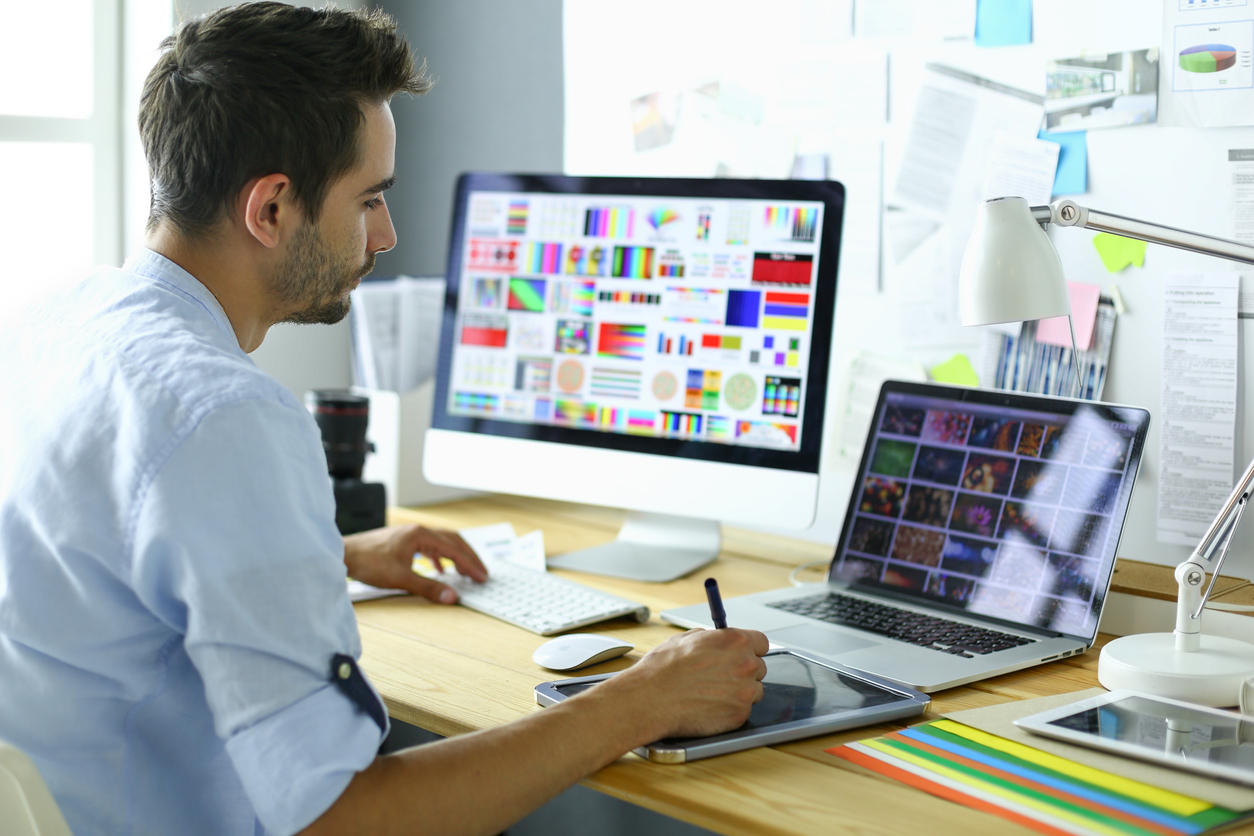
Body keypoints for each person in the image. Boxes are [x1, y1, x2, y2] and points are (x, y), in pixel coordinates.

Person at [0, 4, 769, 835]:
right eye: (369, 200)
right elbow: (342, 820)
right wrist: (640, 701)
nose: (389, 233)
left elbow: (96, 571)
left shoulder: (55, 321)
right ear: (271, 209)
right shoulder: (227, 414)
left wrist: (324, 557)